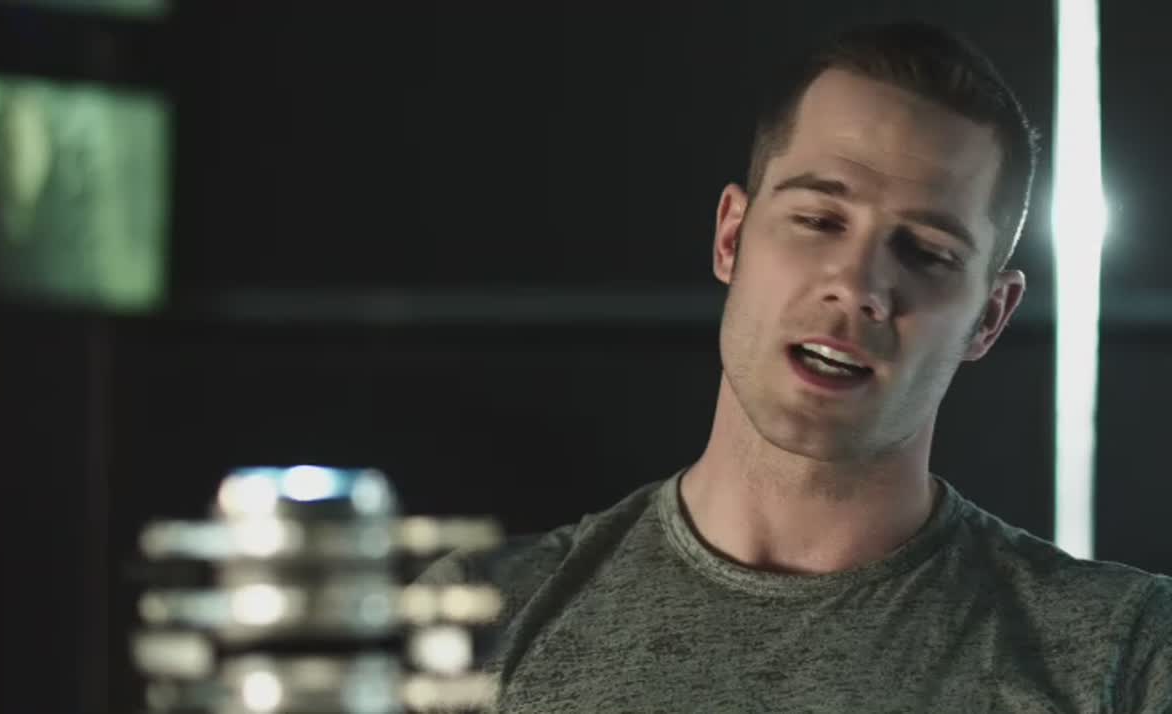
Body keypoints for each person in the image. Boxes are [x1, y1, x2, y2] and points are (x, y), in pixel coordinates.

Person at [419, 21, 1172, 713]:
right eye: (818, 220)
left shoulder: (1128, 654)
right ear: (731, 237)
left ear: (989, 317)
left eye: (927, 253)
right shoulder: (477, 620)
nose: (858, 285)